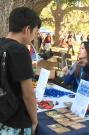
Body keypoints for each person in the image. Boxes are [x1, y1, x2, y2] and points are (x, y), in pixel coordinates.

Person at [0, 7, 41, 135]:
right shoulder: (20, 50)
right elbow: (28, 94)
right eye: (35, 32)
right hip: (15, 122)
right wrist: (34, 121)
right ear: (27, 29)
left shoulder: (1, 44)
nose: (34, 37)